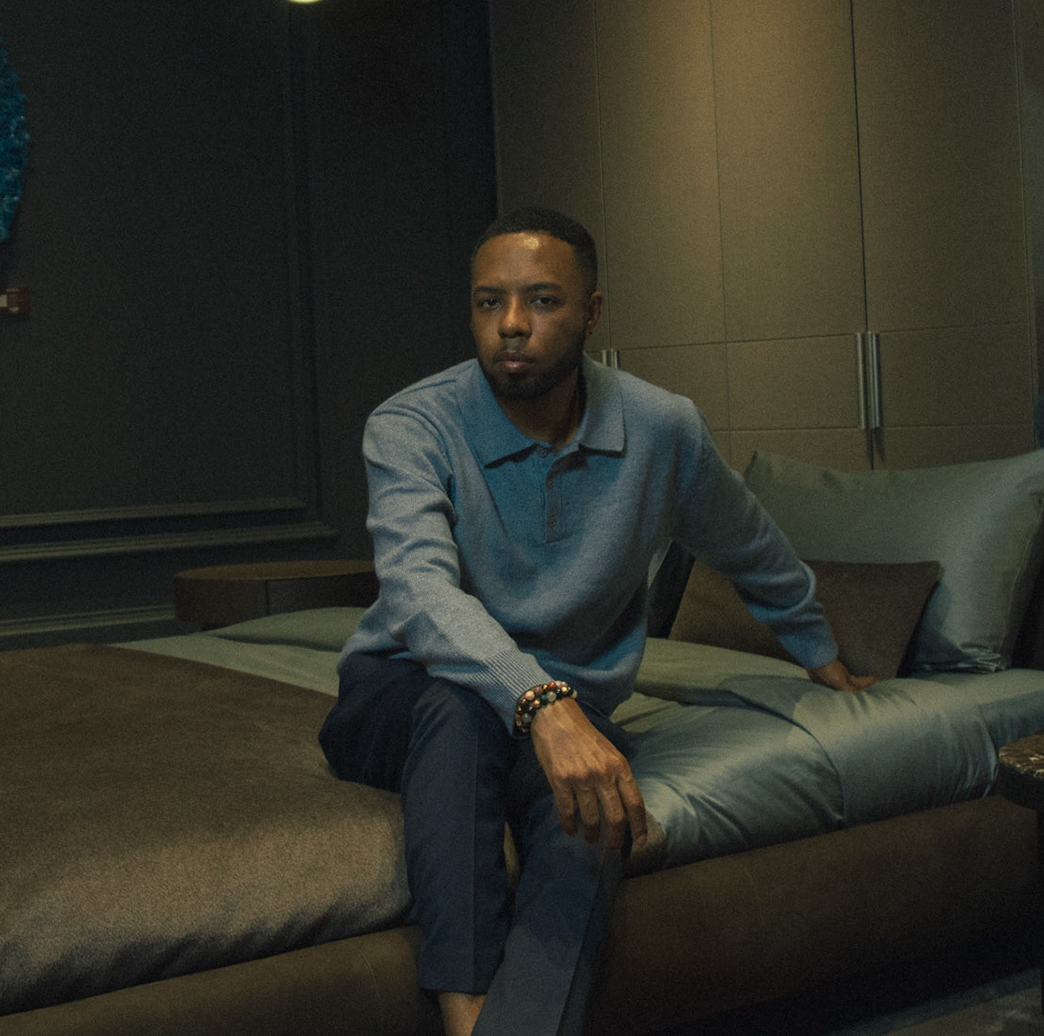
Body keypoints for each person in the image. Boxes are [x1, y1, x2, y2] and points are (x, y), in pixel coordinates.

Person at [319, 207, 873, 1036]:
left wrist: (817, 648)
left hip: (564, 712)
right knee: (460, 711)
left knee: (596, 812)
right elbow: (420, 592)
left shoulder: (661, 428)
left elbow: (746, 540)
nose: (510, 324)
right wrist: (542, 703)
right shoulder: (412, 423)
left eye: (541, 301)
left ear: (592, 312)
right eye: (489, 302)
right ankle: (467, 1017)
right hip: (404, 691)